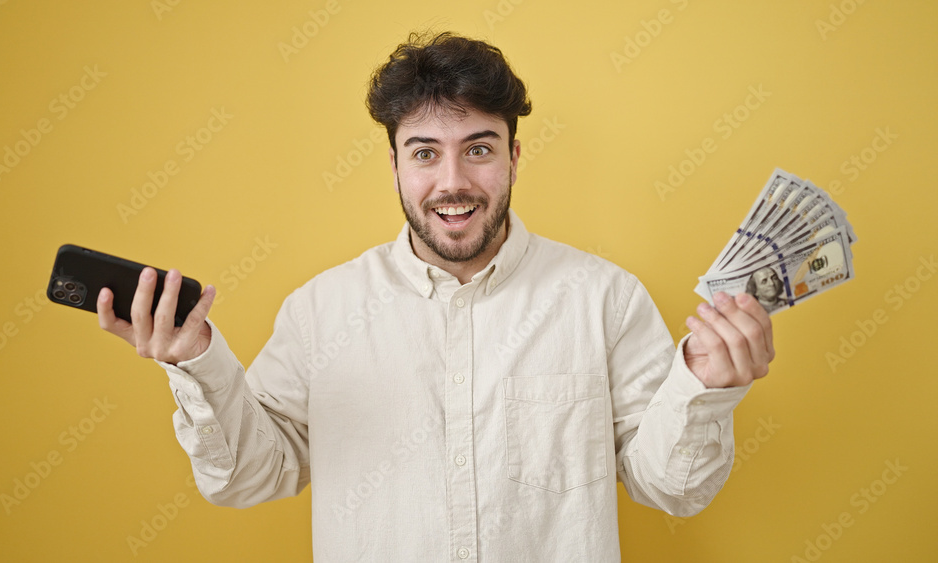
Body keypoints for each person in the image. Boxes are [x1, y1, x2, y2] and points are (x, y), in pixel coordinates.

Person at [96, 31, 775, 562]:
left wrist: (704, 386)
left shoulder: (604, 299)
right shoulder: (320, 311)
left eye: (479, 149)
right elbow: (249, 477)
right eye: (424, 152)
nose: (453, 181)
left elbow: (672, 487)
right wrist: (200, 364)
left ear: (514, 156)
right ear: (394, 163)